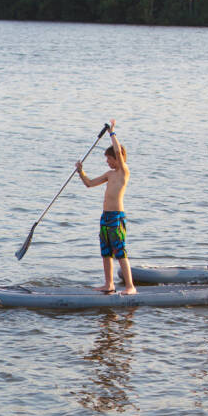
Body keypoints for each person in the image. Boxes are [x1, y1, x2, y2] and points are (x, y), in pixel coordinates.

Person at [75, 119, 137, 295]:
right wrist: (81, 172)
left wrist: (112, 133)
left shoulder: (123, 172)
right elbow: (89, 183)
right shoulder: (109, 175)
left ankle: (130, 287)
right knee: (106, 251)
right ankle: (109, 284)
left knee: (120, 250)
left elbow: (117, 150)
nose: (107, 162)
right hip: (105, 217)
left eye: (109, 159)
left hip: (117, 217)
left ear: (117, 159)